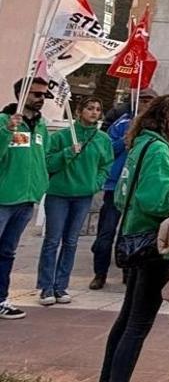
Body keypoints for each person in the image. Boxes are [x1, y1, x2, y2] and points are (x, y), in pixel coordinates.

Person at [90, 95, 169, 382]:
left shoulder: (139, 145)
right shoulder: (159, 150)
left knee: (125, 319)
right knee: (138, 324)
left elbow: (123, 196)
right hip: (152, 244)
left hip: (132, 235)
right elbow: (158, 198)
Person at [38, 96, 114, 306]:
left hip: (83, 195)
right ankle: (46, 287)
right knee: (52, 241)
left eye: (98, 109)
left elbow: (106, 166)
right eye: (90, 108)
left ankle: (61, 285)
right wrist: (67, 153)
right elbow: (48, 163)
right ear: (80, 111)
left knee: (71, 241)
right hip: (59, 194)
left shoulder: (103, 140)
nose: (94, 112)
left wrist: (95, 184)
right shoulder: (62, 136)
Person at [91, 89, 156, 291]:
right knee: (106, 234)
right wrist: (125, 141)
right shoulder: (121, 123)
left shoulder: (156, 127)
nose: (146, 104)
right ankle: (99, 274)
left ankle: (127, 272)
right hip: (117, 186)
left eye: (150, 101)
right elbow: (107, 150)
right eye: (143, 100)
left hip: (138, 189)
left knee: (129, 234)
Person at [0, 77, 52, 320]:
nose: (41, 99)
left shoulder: (41, 127)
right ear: (21, 94)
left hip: (26, 200)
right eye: (36, 94)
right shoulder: (4, 122)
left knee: (8, 252)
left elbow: (44, 158)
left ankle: (1, 298)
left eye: (43, 95)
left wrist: (42, 184)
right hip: (3, 198)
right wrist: (5, 132)